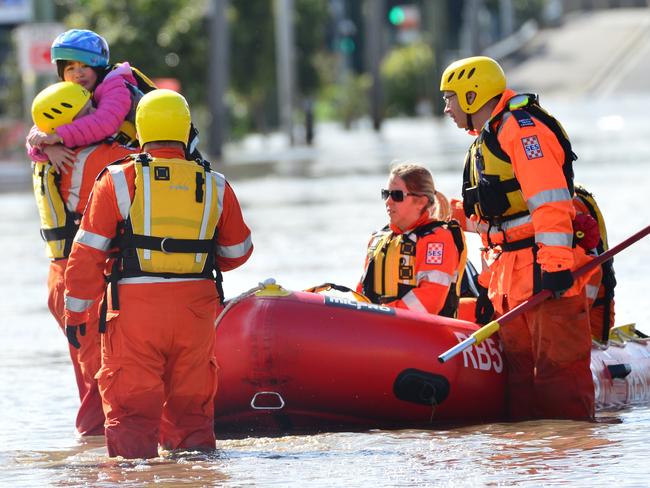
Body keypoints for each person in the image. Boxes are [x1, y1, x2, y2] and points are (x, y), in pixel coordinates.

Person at [63, 89, 253, 459]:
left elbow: (85, 256)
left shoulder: (118, 180)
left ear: (142, 130)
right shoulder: (215, 184)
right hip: (196, 312)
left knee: (131, 413)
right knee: (192, 414)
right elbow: (238, 253)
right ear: (185, 130)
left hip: (135, 313)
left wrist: (77, 315)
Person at [440, 56, 598, 420]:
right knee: (520, 389)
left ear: (471, 93)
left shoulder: (521, 130)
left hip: (543, 273)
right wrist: (452, 214)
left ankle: (570, 464)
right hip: (508, 279)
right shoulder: (488, 138)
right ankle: (524, 463)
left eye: (450, 98)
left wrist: (555, 264)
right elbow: (501, 221)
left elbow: (550, 200)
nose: (446, 108)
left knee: (560, 382)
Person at [30, 81, 139, 436]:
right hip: (81, 280)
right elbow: (149, 158)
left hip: (64, 277)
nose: (93, 120)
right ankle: (96, 463)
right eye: (85, 114)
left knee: (92, 378)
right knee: (99, 384)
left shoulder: (59, 154)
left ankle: (91, 459)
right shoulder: (92, 157)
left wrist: (43, 141)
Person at [26, 29, 147, 172]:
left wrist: (58, 136)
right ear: (62, 74)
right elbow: (39, 129)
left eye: (85, 66)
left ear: (98, 68)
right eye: (70, 68)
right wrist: (47, 147)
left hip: (146, 161)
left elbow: (106, 122)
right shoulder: (69, 93)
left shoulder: (115, 85)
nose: (78, 74)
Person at [357, 163, 467, 317]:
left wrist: (384, 313)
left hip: (421, 331)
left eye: (396, 195)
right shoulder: (378, 240)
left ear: (421, 202)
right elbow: (361, 291)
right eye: (385, 194)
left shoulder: (436, 241)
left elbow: (430, 301)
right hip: (379, 326)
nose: (388, 201)